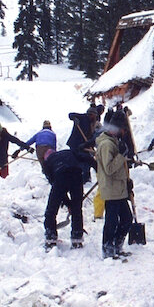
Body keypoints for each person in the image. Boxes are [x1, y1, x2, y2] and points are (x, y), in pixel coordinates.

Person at [96, 110, 133, 259]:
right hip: (111, 190)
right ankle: (108, 248)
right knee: (111, 221)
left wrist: (127, 181)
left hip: (119, 188)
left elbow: (119, 166)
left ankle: (117, 245)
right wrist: (120, 155)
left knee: (126, 218)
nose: (124, 132)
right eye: (123, 130)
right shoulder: (106, 145)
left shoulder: (114, 142)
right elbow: (109, 169)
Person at [42, 147, 96, 250]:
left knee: (51, 210)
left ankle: (50, 239)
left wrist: (67, 203)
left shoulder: (47, 164)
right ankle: (77, 239)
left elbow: (55, 186)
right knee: (77, 209)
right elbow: (87, 158)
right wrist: (99, 169)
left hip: (61, 177)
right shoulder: (70, 152)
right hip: (76, 175)